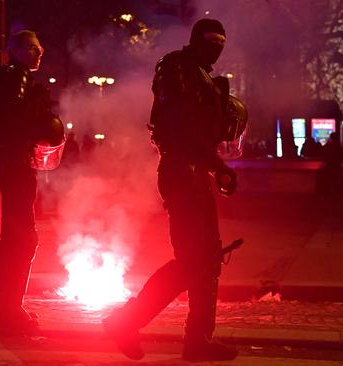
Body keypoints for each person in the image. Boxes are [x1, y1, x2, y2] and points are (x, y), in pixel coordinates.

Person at [103, 19, 239, 362]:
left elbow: (204, 126)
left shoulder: (202, 75)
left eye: (221, 42)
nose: (216, 47)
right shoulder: (176, 67)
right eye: (210, 40)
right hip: (181, 170)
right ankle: (126, 321)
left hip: (195, 172)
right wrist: (217, 164)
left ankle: (197, 339)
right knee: (193, 259)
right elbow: (181, 125)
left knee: (206, 259)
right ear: (194, 40)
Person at [0, 30, 62, 332]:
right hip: (16, 159)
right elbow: (14, 113)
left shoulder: (6, 76)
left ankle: (2, 306)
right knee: (22, 238)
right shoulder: (14, 76)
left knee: (13, 238)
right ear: (15, 50)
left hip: (13, 158)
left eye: (39, 47)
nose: (38, 53)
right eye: (31, 48)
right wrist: (38, 116)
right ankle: (9, 310)